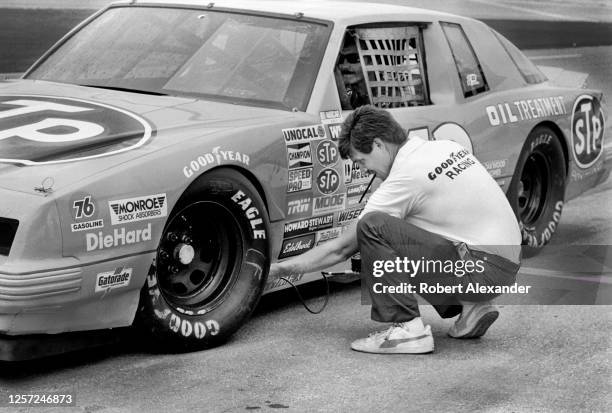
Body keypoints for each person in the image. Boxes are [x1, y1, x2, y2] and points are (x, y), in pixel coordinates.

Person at [270, 105, 521, 354]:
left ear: (379, 144)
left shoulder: (405, 177)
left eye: (361, 160)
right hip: (504, 266)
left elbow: (342, 248)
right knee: (408, 221)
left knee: (372, 226)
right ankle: (473, 308)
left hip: (480, 271)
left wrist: (282, 268)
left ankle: (408, 330)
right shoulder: (444, 147)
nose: (363, 170)